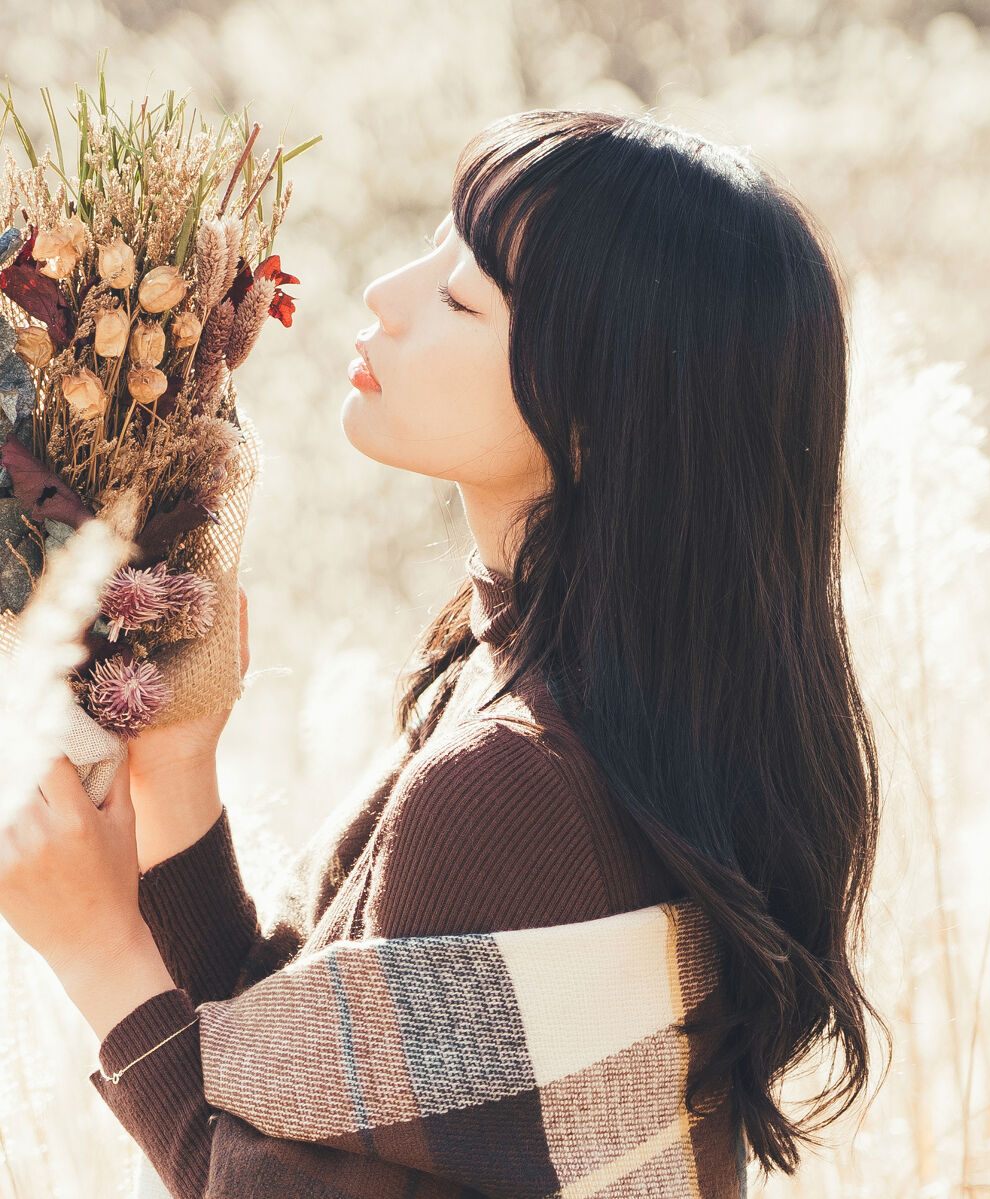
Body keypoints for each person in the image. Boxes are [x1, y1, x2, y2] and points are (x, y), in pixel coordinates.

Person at [17, 107, 890, 1196]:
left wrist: (100, 956)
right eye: (434, 245)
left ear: (598, 414)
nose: (386, 292)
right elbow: (310, 1102)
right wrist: (181, 769)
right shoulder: (572, 697)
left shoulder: (520, 783)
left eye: (461, 295)